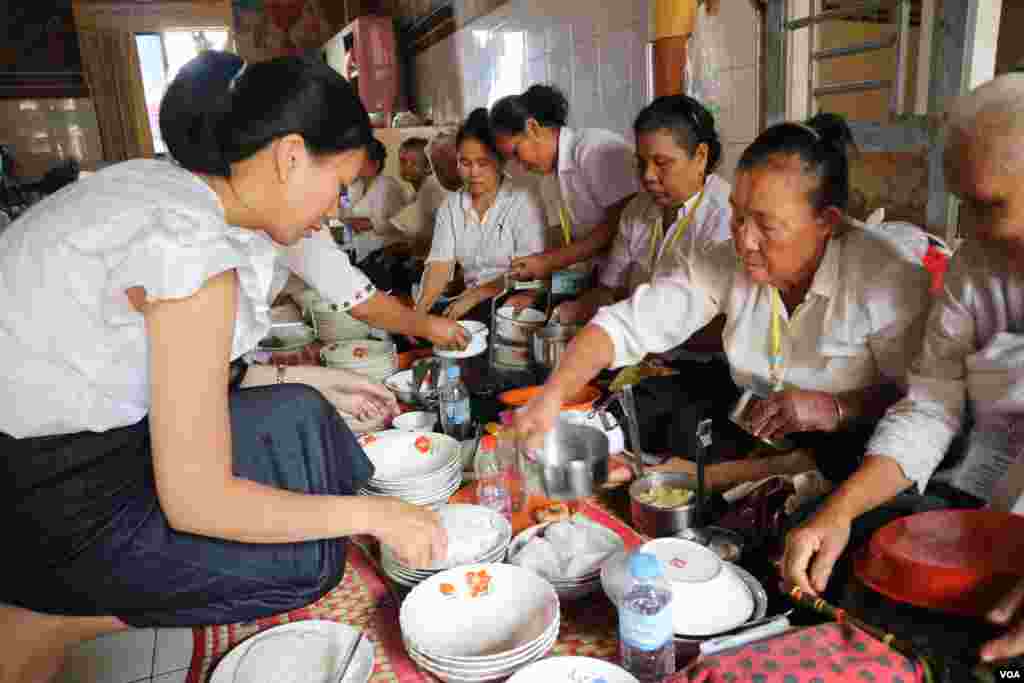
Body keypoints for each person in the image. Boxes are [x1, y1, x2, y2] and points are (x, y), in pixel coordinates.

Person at [0, 52, 447, 683]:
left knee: (296, 410)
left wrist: (314, 378)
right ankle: (50, 615)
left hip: (59, 449)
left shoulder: (168, 191)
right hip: (50, 494)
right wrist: (381, 516)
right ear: (290, 155)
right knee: (306, 563)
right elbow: (198, 501)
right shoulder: (192, 252)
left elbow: (178, 371)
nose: (334, 209)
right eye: (339, 185)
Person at [515, 113, 933, 493]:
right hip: (761, 423)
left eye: (766, 224)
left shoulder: (885, 277)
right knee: (662, 427)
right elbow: (627, 323)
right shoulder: (727, 260)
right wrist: (552, 395)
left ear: (827, 222)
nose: (744, 240)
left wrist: (838, 407)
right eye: (737, 216)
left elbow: (925, 404)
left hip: (854, 449)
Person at [782, 74, 1024, 665]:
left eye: (989, 205)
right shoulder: (976, 269)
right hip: (976, 500)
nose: (969, 230)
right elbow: (932, 406)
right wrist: (841, 510)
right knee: (840, 556)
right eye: (964, 205)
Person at [555, 94, 733, 325]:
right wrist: (576, 310)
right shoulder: (636, 210)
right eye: (641, 163)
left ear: (700, 157)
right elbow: (610, 291)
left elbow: (720, 320)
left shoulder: (725, 216)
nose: (647, 176)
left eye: (661, 163)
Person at [489, 84, 639, 284]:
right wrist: (539, 265)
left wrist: (550, 261)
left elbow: (623, 219)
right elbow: (564, 240)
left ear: (532, 128)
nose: (521, 166)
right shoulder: (549, 177)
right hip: (600, 275)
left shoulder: (592, 149)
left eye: (516, 152)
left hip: (634, 275)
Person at [415, 109, 547, 321]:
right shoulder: (451, 207)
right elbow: (439, 266)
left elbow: (527, 272)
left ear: (500, 161)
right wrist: (420, 311)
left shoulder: (522, 201)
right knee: (418, 323)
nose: (474, 172)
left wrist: (477, 295)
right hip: (470, 301)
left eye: (483, 163)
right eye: (465, 162)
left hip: (513, 298)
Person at [342, 137, 410, 263]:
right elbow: (345, 214)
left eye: (361, 161)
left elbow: (398, 223)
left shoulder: (388, 185)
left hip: (386, 254)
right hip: (361, 251)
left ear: (375, 164)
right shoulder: (355, 185)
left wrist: (369, 224)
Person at [392, 134, 452, 255]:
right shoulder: (416, 193)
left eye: (413, 163)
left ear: (428, 167)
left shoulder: (431, 188)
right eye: (403, 162)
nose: (407, 167)